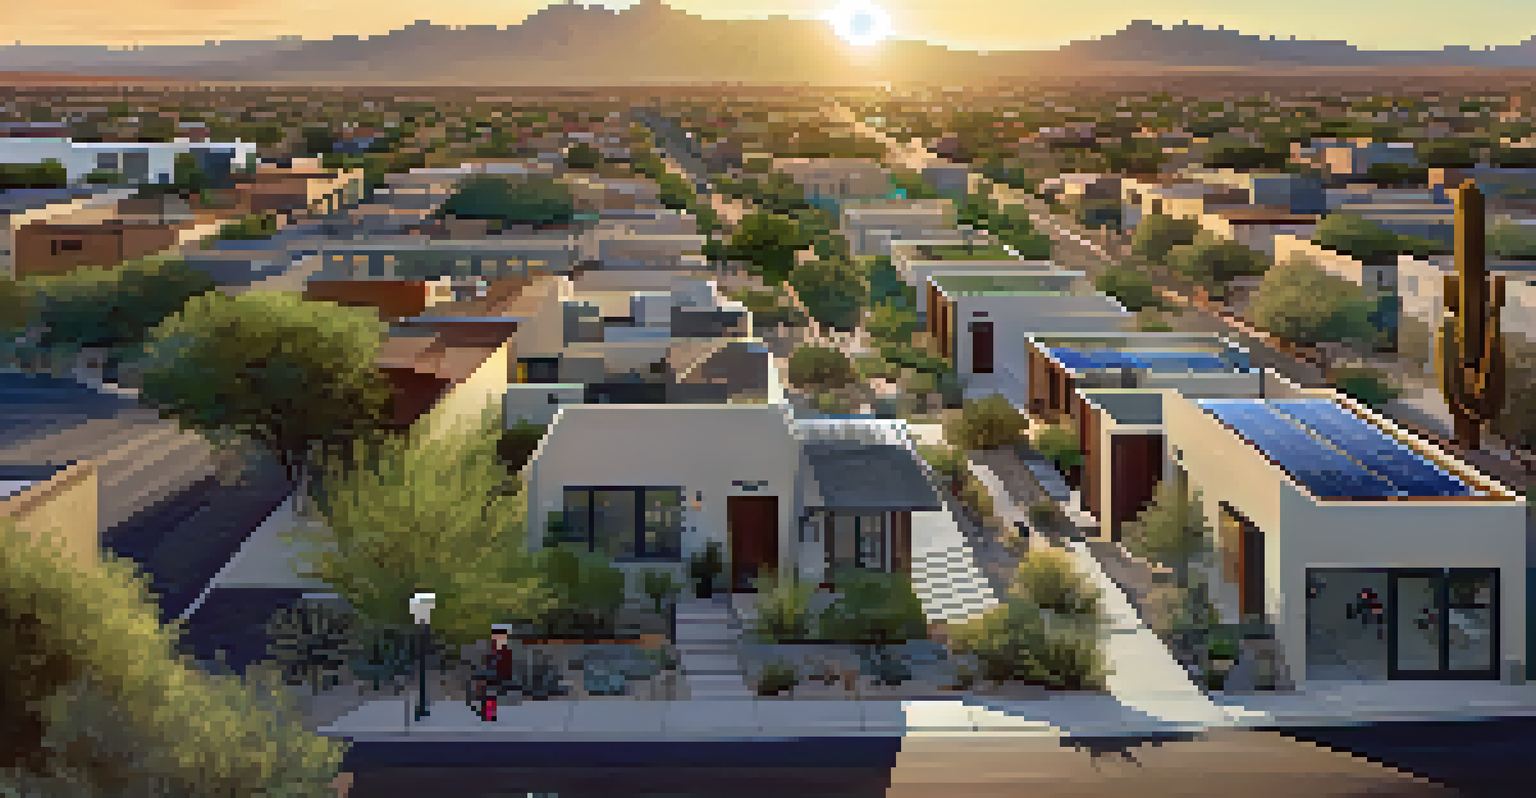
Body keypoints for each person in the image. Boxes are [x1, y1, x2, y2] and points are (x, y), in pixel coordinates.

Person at [473, 625, 518, 722]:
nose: (497, 637)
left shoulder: (505, 650)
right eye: (496, 635)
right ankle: (486, 711)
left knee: (486, 686)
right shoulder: (493, 649)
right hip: (494, 675)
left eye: (500, 635)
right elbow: (488, 664)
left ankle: (488, 712)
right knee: (483, 684)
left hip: (501, 676)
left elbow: (503, 668)